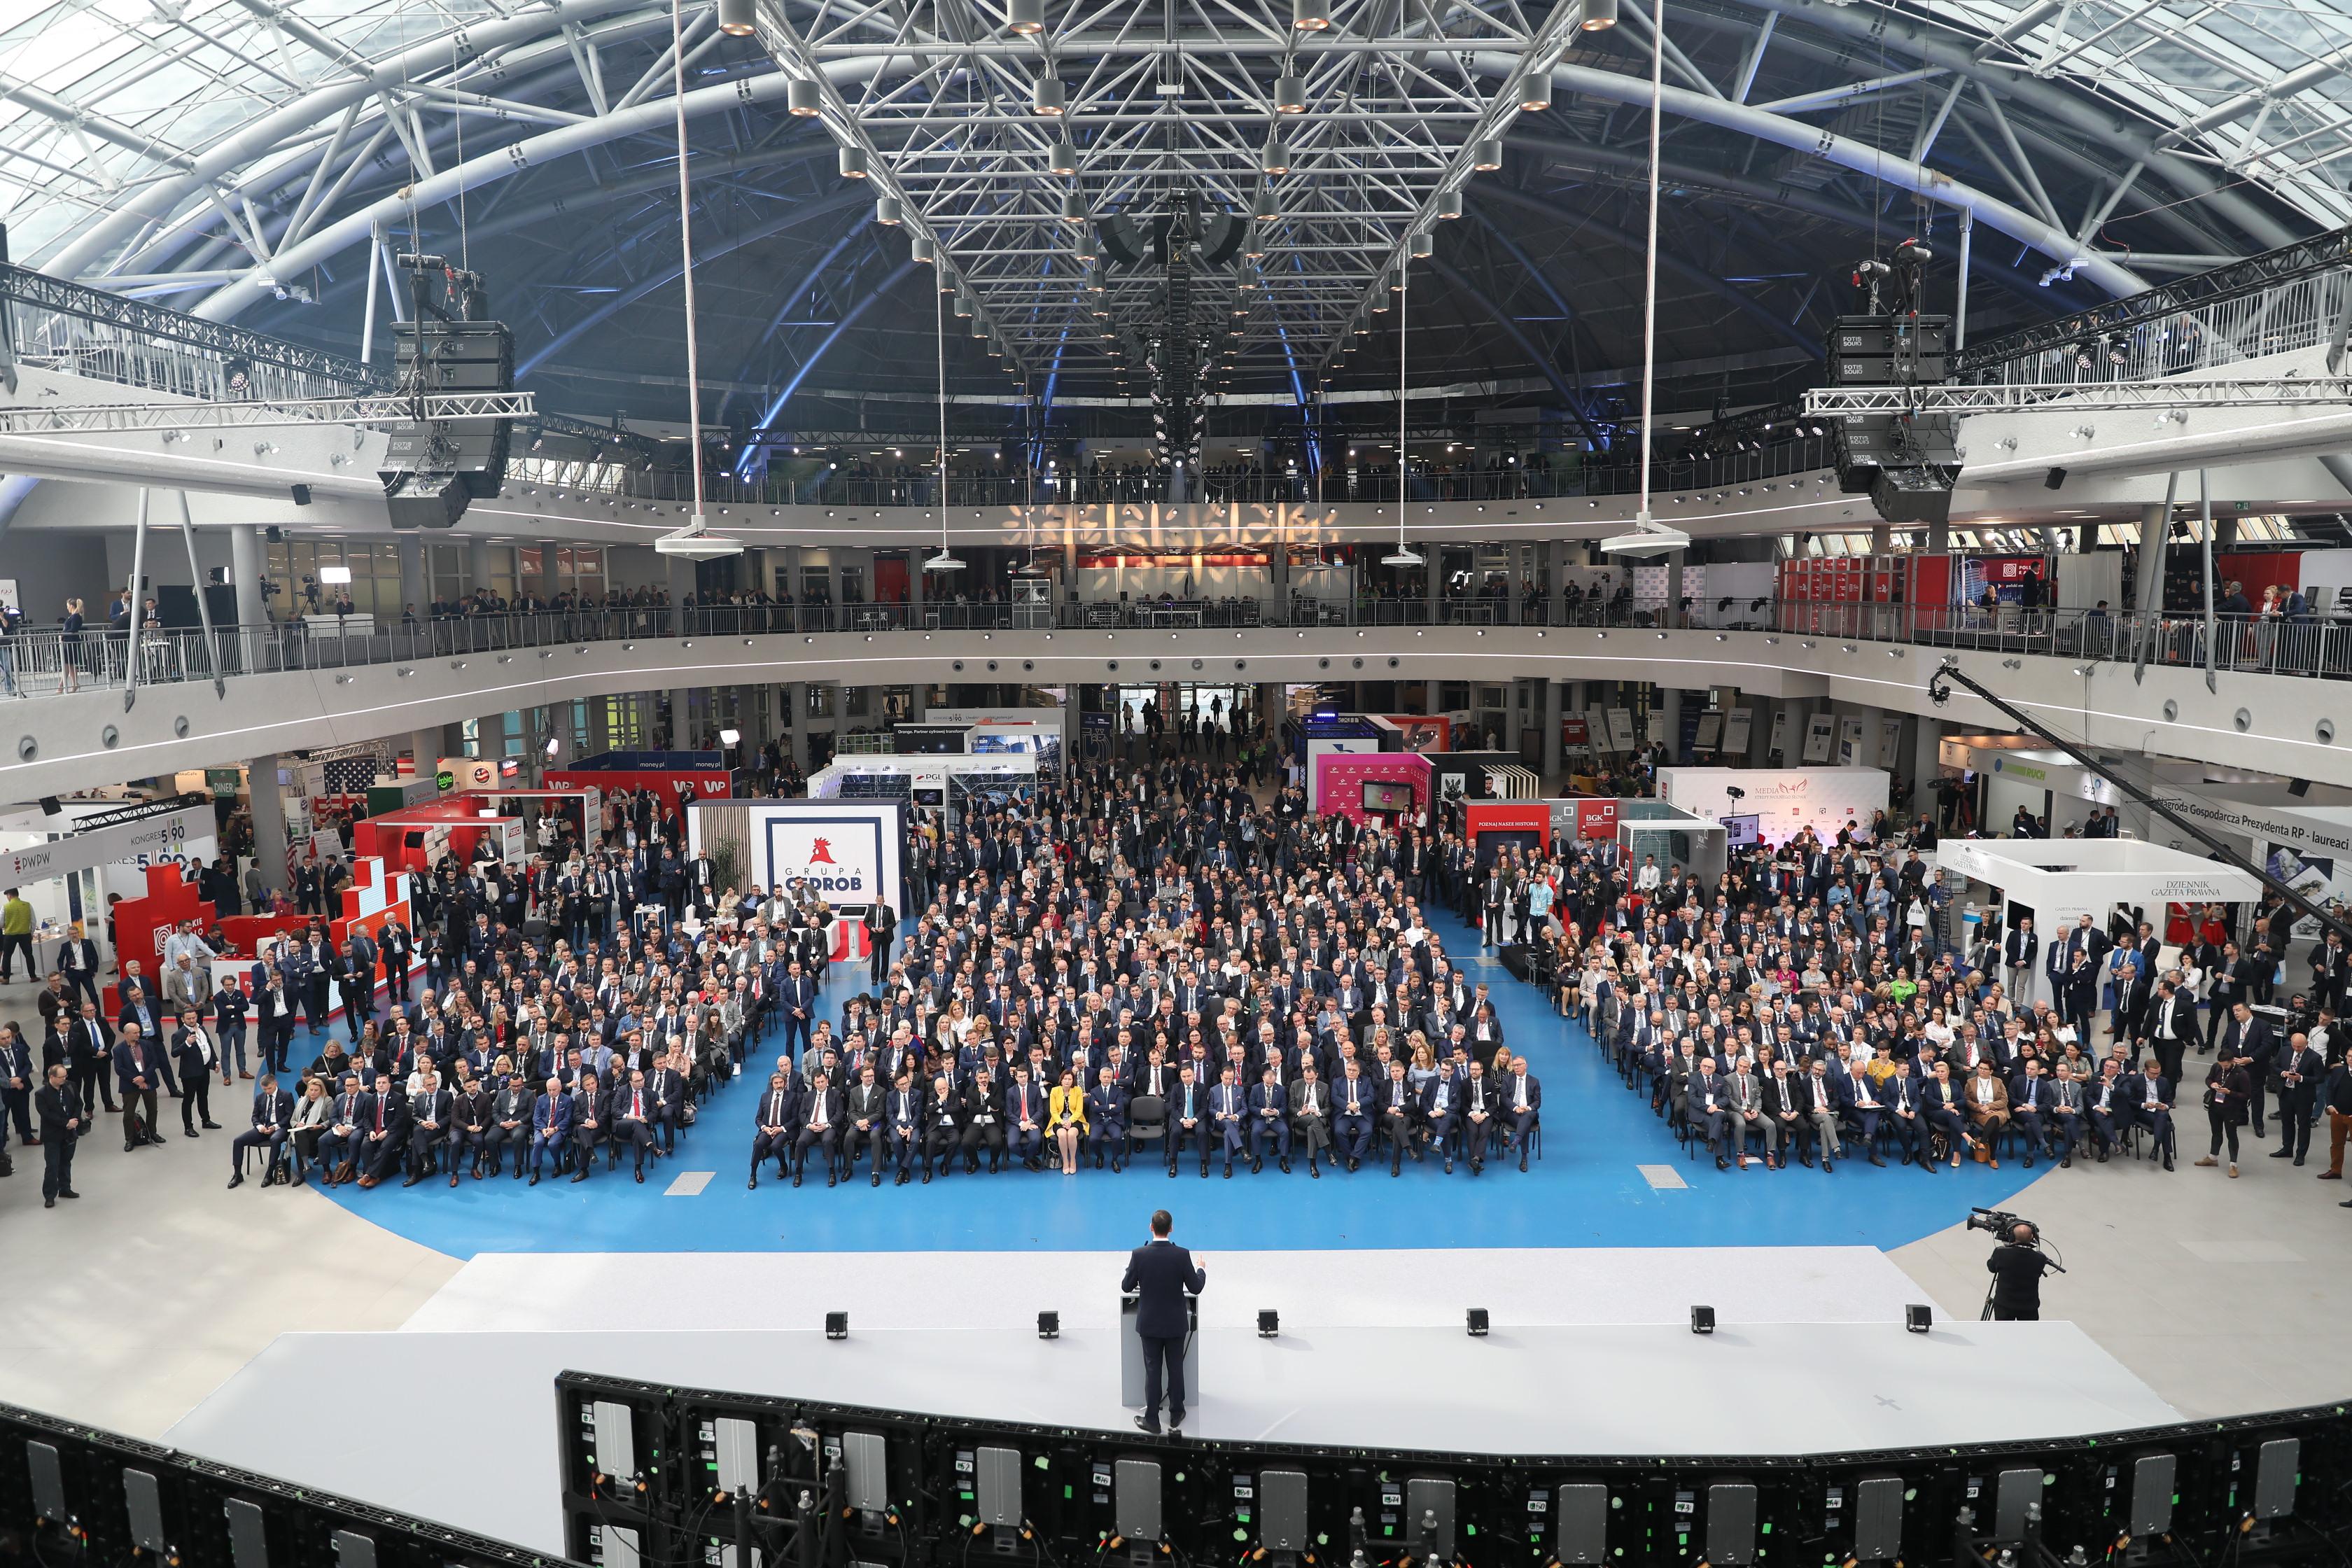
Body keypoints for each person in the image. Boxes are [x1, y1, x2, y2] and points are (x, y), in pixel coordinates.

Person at [1122, 1208, 1207, 1435]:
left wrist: (1133, 1270)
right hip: (1175, 1324)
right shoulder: (1182, 1255)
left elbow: (1126, 1286)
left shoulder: (1139, 1254)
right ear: (1171, 1228)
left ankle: (1152, 1419)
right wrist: (1201, 1269)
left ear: (1151, 1228)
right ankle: (1177, 1412)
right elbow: (1196, 1287)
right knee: (1176, 1367)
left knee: (1152, 1370)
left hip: (1150, 1324)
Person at [1984, 1220, 2054, 1320]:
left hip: (2004, 1306)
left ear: (2012, 1236)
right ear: (2032, 1237)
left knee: (2003, 1334)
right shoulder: (2040, 1258)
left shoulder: (2000, 1253)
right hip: (2029, 1308)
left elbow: (1991, 1268)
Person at [34, 1062, 81, 1208]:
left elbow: (79, 1104)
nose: (64, 1079)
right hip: (52, 1135)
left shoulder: (71, 1086)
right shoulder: (41, 1094)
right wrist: (66, 1123)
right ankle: (49, 1195)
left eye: (65, 1076)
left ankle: (65, 1188)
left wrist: (74, 1120)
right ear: (52, 1077)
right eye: (61, 1077)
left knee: (66, 1162)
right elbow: (46, 1115)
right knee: (52, 1165)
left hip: (70, 1132)